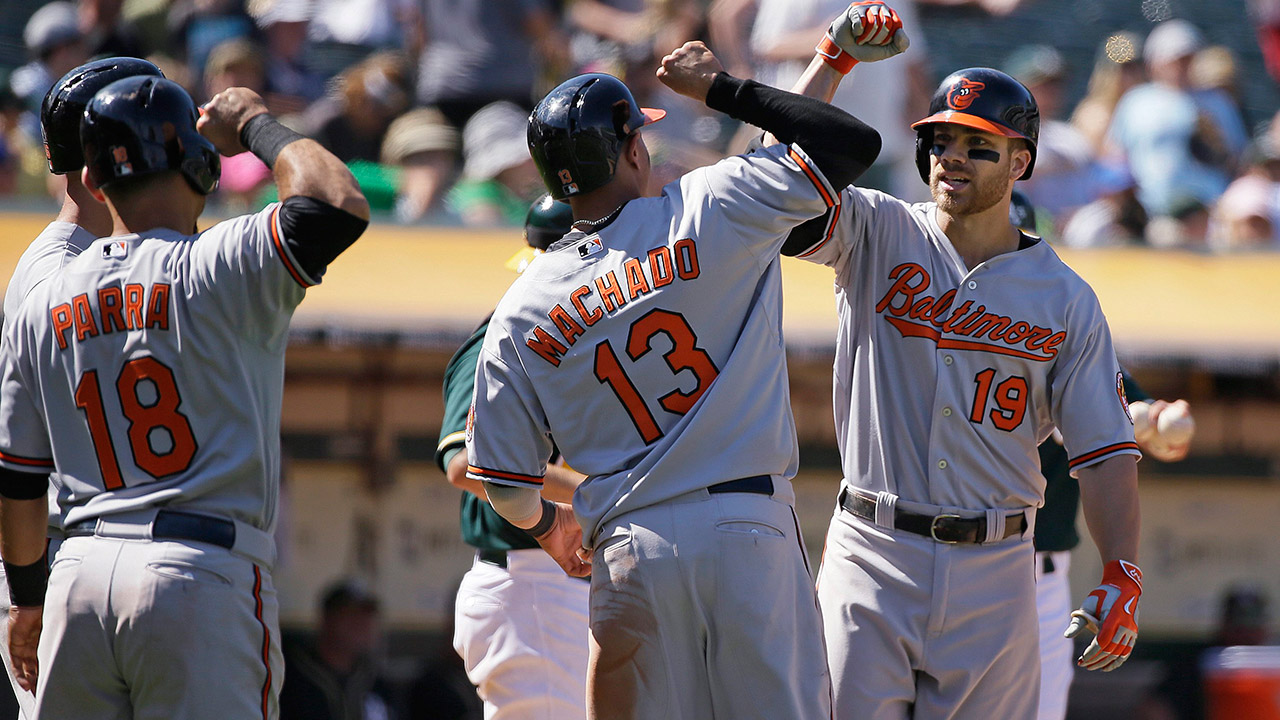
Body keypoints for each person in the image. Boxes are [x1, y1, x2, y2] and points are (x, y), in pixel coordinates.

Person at [465, 35, 885, 719]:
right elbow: (846, 145)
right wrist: (721, 87)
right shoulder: (706, 206)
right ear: (632, 149)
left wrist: (548, 524)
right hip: (747, 529)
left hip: (631, 550)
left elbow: (505, 486)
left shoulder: (521, 307)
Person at [773, 3, 1144, 718]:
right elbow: (774, 183)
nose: (952, 156)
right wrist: (832, 60)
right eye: (942, 139)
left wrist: (1122, 570)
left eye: (978, 145)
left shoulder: (1064, 298)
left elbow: (1104, 451)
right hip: (872, 552)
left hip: (999, 567)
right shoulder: (877, 230)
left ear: (1021, 162)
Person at [0, 71, 369, 719]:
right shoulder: (218, 263)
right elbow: (333, 201)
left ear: (92, 181)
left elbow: (19, 478)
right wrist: (256, 121)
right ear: (202, 168)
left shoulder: (43, 295)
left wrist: (29, 598)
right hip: (198, 571)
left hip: (78, 574)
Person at [0, 55, 165, 720]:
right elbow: (18, 465)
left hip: (101, 561)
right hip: (68, 558)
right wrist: (26, 595)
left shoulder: (109, 257)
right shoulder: (56, 274)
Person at [435, 194, 590, 718]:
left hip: (555, 582)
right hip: (529, 581)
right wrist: (586, 490)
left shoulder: (565, 340)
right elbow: (462, 464)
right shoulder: (494, 341)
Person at [280, 580, 397, 720]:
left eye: (369, 618)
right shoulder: (291, 679)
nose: (365, 625)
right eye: (353, 616)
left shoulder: (376, 682)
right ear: (328, 620)